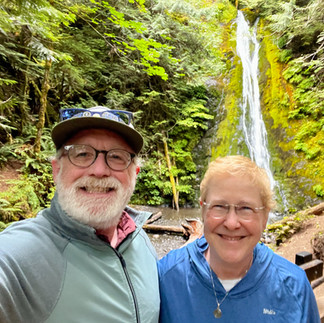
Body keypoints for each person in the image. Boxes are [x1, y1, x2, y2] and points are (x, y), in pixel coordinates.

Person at [0, 106, 160, 323]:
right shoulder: (23, 255)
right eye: (82, 154)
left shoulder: (139, 239)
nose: (100, 170)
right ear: (57, 170)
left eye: (116, 157)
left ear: (135, 175)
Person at [158, 155, 320, 322]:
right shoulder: (166, 277)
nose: (232, 223)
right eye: (219, 206)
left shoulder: (294, 286)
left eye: (246, 208)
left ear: (265, 217)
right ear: (203, 211)